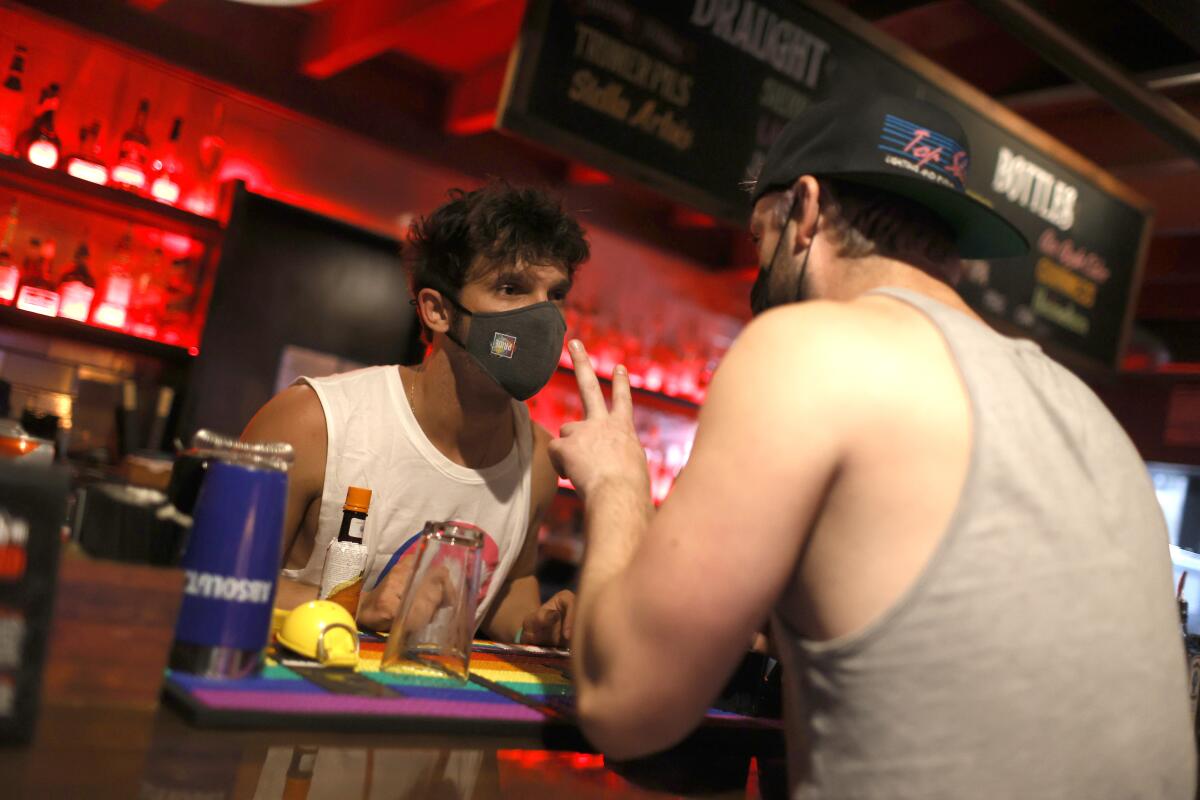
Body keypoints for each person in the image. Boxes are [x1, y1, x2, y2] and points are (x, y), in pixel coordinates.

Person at [551, 94, 1196, 797]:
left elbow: (625, 704)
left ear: (804, 210)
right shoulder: (1089, 414)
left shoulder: (811, 350)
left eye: (758, 237)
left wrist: (616, 483)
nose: (757, 265)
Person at [243, 182, 588, 647]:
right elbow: (221, 579)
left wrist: (536, 624)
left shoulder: (540, 460)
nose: (543, 319)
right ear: (437, 311)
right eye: (512, 288)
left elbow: (510, 582)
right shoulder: (313, 423)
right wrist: (359, 606)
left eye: (556, 294)